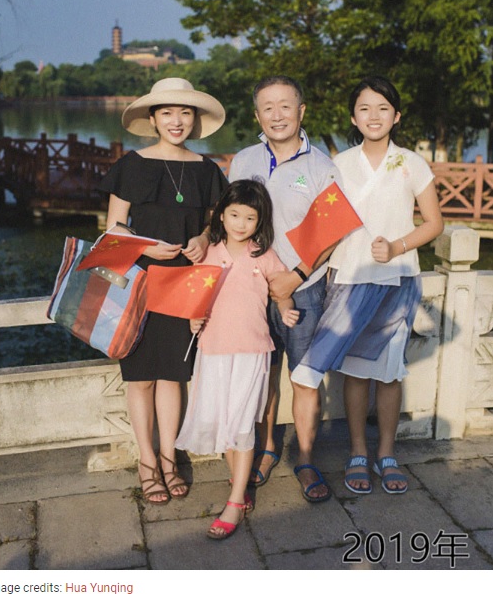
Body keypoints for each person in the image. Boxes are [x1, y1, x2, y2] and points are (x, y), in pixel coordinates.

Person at [291, 75, 443, 494]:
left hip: (397, 279)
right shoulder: (337, 164)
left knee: (389, 373)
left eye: (382, 108)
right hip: (350, 277)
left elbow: (434, 223)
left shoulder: (413, 163)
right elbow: (321, 224)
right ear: (353, 118)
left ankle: (387, 453)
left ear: (396, 116)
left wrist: (397, 245)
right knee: (356, 373)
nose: (373, 116)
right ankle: (358, 451)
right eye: (364, 108)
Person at [99, 77, 228, 505]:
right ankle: (147, 462)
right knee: (140, 379)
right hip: (137, 281)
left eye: (185, 112)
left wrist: (206, 238)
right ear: (152, 118)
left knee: (174, 374)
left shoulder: (208, 169)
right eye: (168, 112)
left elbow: (214, 222)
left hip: (185, 281)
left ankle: (170, 458)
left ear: (195, 119)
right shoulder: (131, 165)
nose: (177, 121)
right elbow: (112, 228)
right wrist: (145, 245)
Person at [228, 76, 338, 502]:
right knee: (263, 375)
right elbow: (231, 221)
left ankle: (306, 458)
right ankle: (268, 447)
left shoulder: (322, 166)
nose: (277, 115)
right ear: (257, 115)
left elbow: (334, 231)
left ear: (301, 111)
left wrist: (295, 275)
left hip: (303, 288)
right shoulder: (243, 160)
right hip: (252, 291)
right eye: (267, 107)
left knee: (305, 377)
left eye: (285, 106)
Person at [176, 180, 299, 539]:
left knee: (243, 422)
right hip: (213, 349)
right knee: (224, 422)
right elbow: (195, 296)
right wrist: (192, 318)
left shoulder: (264, 255)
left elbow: (281, 289)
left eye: (250, 217)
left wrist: (287, 309)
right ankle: (240, 484)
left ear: (260, 221)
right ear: (221, 215)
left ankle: (234, 501)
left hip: (251, 351)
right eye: (234, 215)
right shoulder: (210, 252)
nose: (241, 223)